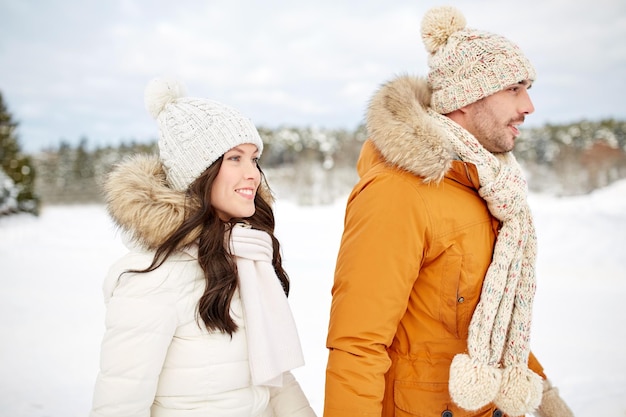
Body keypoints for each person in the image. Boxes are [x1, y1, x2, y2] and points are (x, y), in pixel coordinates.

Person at [324, 6, 573, 417]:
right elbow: (357, 343)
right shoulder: (397, 193)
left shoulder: (489, 188)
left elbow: (491, 319)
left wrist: (543, 394)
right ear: (465, 98)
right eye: (514, 88)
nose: (529, 105)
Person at [90, 78, 317, 417]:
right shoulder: (154, 278)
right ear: (199, 173)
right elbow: (120, 404)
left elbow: (274, 379)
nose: (253, 174)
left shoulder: (246, 257)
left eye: (254, 159)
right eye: (235, 158)